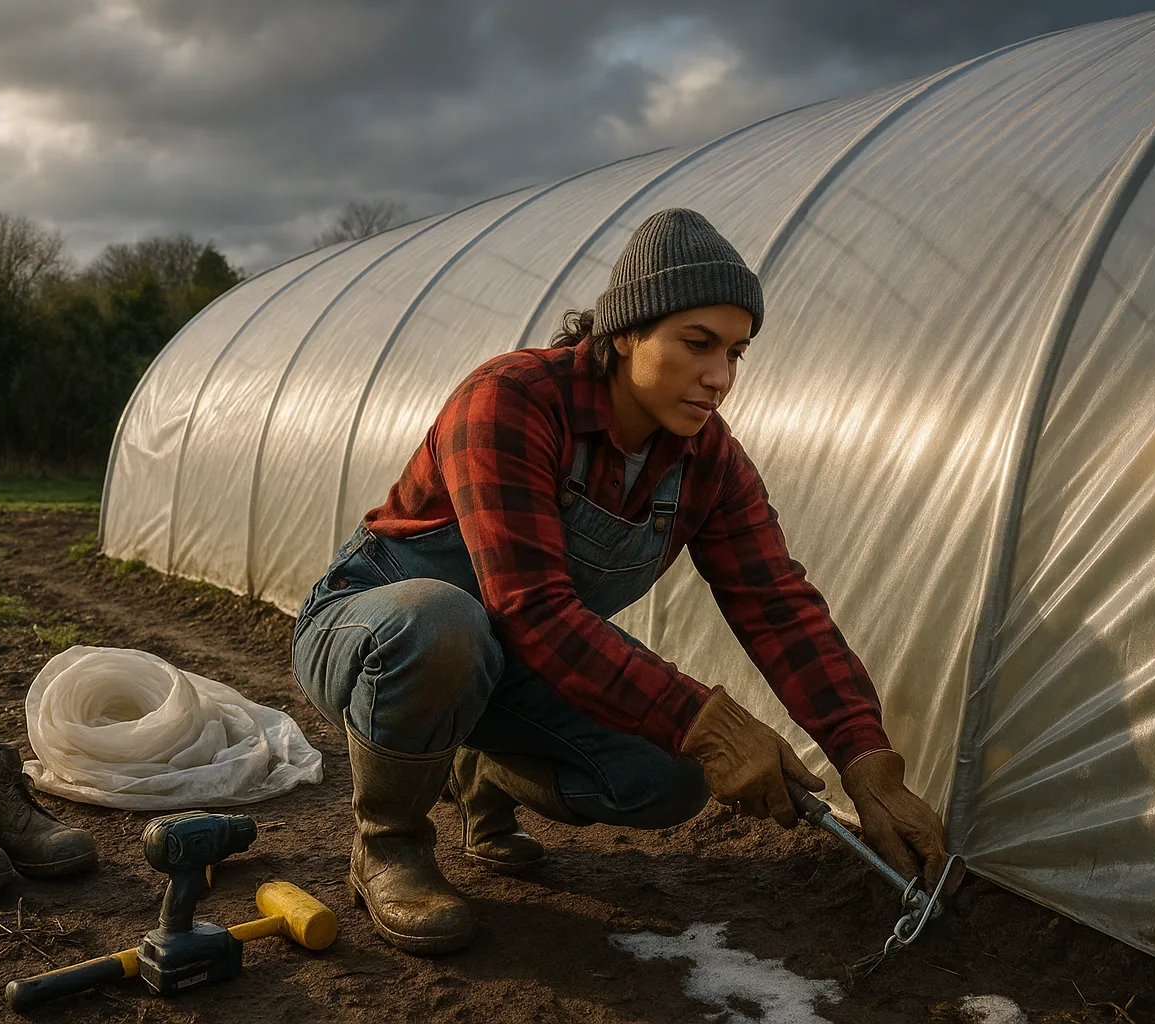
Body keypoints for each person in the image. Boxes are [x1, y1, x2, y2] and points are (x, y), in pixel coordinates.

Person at [291, 208, 955, 956]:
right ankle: (389, 847)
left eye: (737, 353)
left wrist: (868, 761)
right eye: (697, 344)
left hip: (511, 663)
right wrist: (709, 719)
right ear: (624, 333)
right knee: (442, 622)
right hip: (375, 631)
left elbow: (778, 607)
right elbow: (531, 606)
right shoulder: (511, 399)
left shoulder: (707, 460)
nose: (721, 377)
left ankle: (487, 772)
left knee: (671, 778)